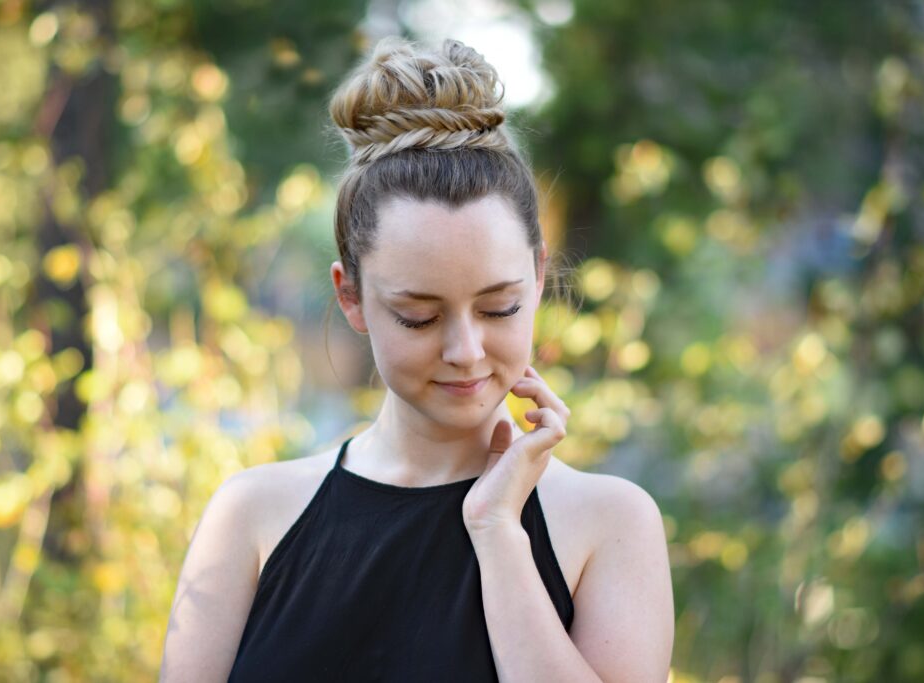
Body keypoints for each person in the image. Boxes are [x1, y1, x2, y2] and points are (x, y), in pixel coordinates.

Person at [160, 36, 673, 682]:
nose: (466, 351)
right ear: (351, 295)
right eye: (419, 316)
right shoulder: (252, 515)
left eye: (498, 308)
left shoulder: (611, 523)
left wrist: (497, 533)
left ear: (539, 277)